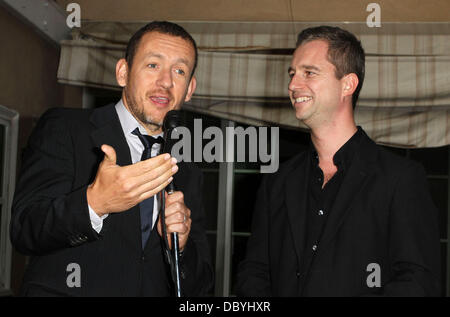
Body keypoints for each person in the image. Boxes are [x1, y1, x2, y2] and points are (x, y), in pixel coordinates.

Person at [10, 21, 213, 296]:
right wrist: (95, 203)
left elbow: (200, 286)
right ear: (123, 72)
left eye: (179, 71)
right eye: (153, 65)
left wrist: (180, 247)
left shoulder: (187, 169)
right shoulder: (66, 128)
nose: (166, 81)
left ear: (189, 89)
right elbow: (25, 229)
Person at [237, 26, 441, 296]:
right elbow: (254, 273)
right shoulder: (278, 181)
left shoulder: (400, 178)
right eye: (292, 73)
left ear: (348, 84)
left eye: (309, 72)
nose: (293, 85)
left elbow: (418, 282)